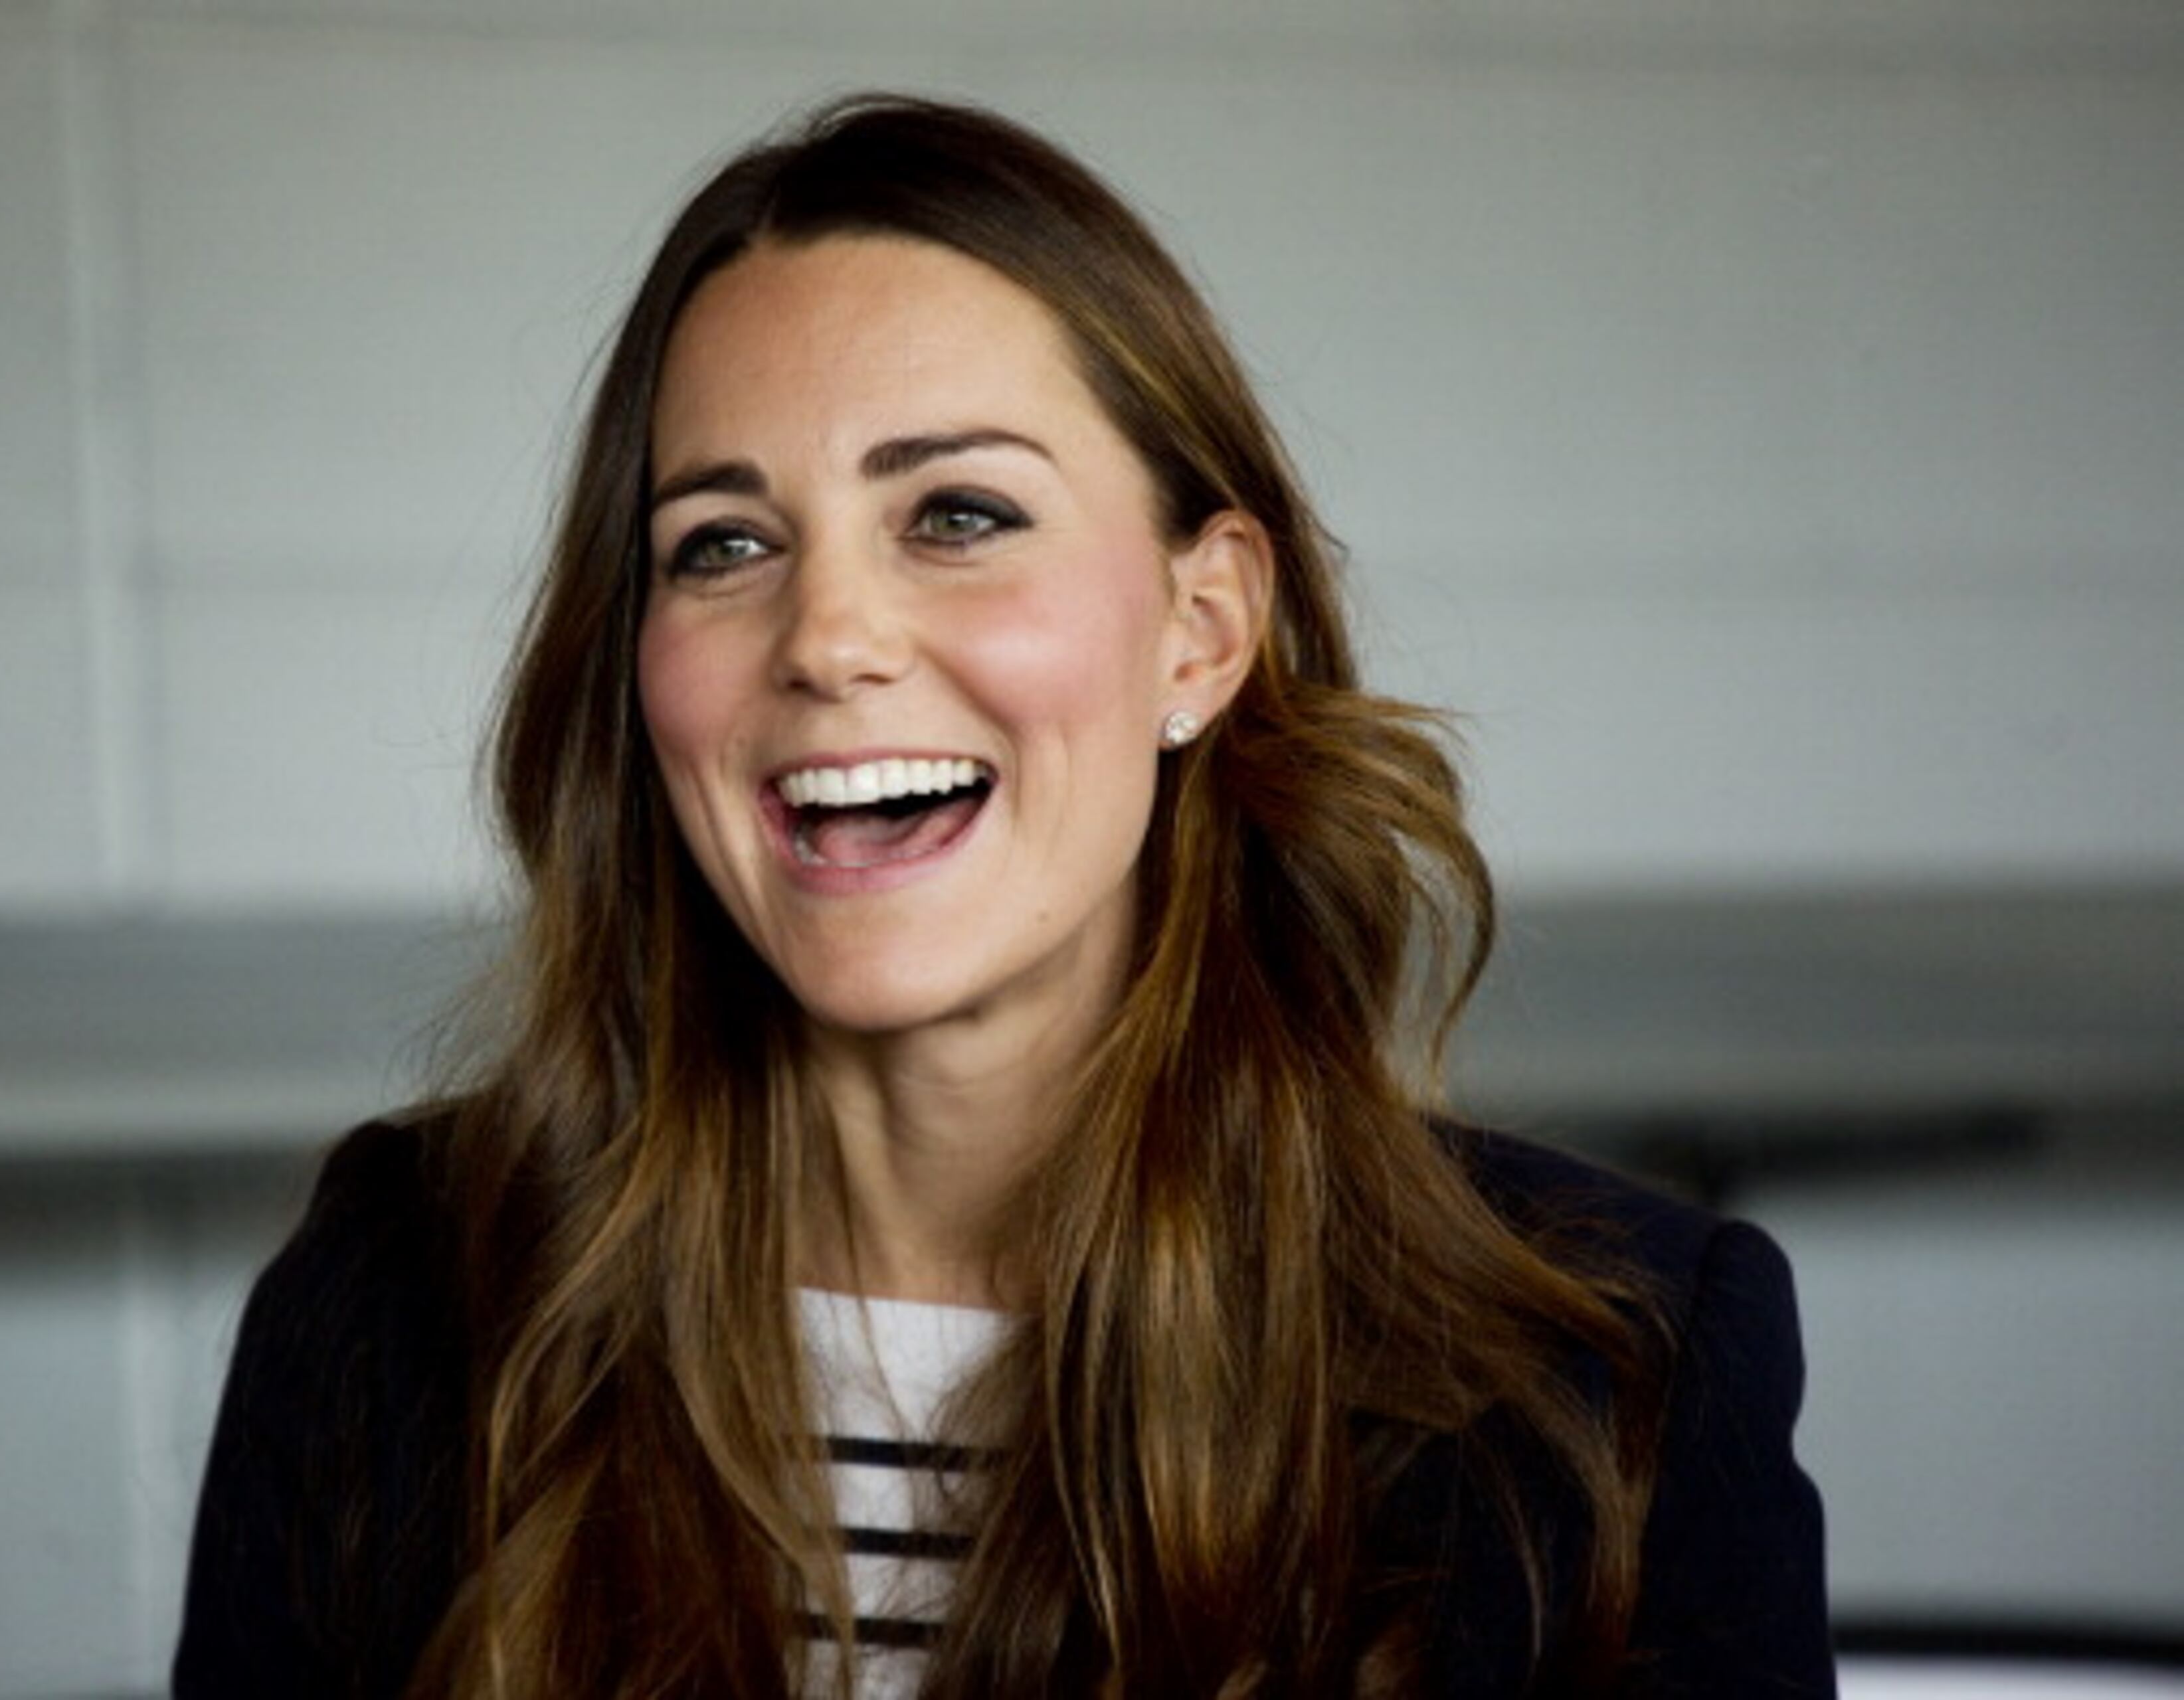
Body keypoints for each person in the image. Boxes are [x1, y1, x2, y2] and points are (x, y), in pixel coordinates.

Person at [175, 94, 1831, 1699]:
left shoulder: (1610, 1368)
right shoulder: (396, 1303)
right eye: (722, 544)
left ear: (1203, 626)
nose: (827, 638)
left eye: (957, 514)